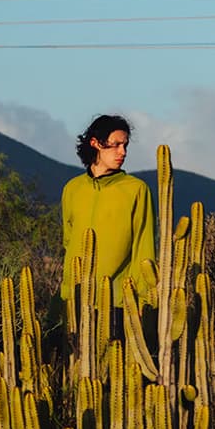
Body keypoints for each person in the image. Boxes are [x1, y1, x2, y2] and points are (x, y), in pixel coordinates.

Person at [60, 115, 155, 319]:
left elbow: (143, 247)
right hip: (74, 304)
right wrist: (65, 295)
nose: (123, 152)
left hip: (118, 304)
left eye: (125, 145)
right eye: (116, 145)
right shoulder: (72, 189)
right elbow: (68, 242)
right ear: (95, 143)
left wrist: (145, 301)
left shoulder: (136, 190)